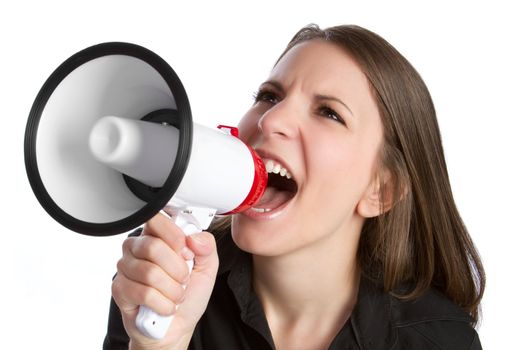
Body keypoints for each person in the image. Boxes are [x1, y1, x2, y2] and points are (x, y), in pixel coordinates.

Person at [103, 24, 485, 350]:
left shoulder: (438, 340)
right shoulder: (165, 275)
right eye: (270, 96)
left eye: (328, 112)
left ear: (380, 191)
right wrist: (158, 344)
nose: (271, 120)